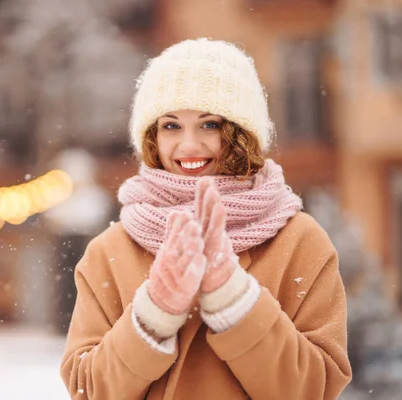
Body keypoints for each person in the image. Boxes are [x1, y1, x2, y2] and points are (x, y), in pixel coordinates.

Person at [59, 38, 352, 399]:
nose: (189, 146)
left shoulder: (300, 242)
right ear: (151, 136)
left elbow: (316, 389)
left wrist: (235, 300)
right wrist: (152, 317)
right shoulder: (110, 252)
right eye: (171, 126)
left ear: (241, 134)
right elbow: (88, 390)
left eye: (209, 125)